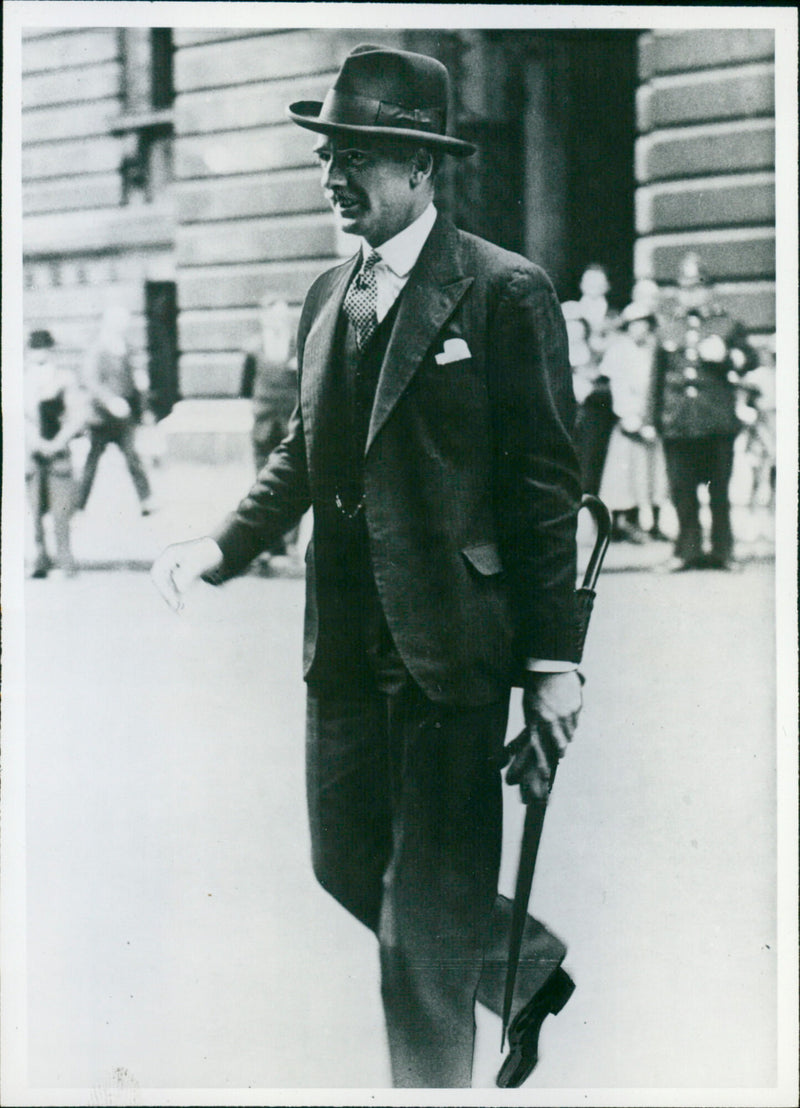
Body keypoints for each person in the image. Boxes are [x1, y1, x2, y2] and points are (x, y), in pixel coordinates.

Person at [152, 45, 583, 1089]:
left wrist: (553, 663)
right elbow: (301, 452)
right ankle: (523, 968)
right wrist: (223, 544)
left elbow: (540, 492)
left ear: (422, 168)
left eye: (361, 156)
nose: (337, 177)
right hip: (342, 647)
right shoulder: (320, 295)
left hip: (452, 652)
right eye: (328, 157)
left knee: (421, 932)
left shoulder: (500, 292)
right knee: (343, 861)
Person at [650, 253, 759, 571]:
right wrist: (654, 420)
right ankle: (686, 551)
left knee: (719, 492)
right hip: (679, 422)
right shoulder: (667, 327)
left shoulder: (727, 324)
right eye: (684, 289)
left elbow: (750, 360)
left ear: (710, 290)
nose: (691, 294)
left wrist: (727, 356)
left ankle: (723, 551)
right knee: (682, 492)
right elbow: (656, 379)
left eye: (698, 288)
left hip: (716, 421)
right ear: (678, 293)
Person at [599, 301, 669, 543]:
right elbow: (617, 388)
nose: (638, 330)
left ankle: (654, 522)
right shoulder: (619, 351)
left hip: (652, 419)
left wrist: (652, 419)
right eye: (633, 325)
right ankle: (623, 522)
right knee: (624, 472)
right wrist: (630, 417)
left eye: (643, 324)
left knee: (655, 474)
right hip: (628, 421)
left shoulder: (655, 350)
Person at [76, 304, 155, 515]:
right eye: (118, 321)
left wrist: (141, 394)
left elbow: (133, 378)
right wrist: (110, 401)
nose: (122, 326)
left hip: (124, 417)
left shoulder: (126, 346)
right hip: (101, 418)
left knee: (132, 457)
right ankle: (77, 504)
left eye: (124, 322)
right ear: (108, 323)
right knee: (91, 462)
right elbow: (91, 381)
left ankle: (146, 500)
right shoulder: (97, 349)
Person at [239, 295, 300, 564]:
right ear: (263, 317)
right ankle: (271, 546)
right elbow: (244, 388)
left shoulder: (298, 345)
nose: (278, 320)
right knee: (264, 485)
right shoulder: (253, 348)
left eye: (282, 315)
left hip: (291, 426)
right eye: (273, 315)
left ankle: (288, 545)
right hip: (263, 425)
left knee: (294, 483)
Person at [24, 329, 87, 577]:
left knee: (61, 509)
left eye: (45, 349)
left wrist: (58, 442)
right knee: (34, 509)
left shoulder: (64, 379)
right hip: (31, 453)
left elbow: (77, 415)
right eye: (35, 348)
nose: (40, 353)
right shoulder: (21, 380)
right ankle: (40, 559)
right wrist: (35, 441)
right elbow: (18, 417)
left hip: (58, 452)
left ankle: (65, 560)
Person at [561, 264, 619, 495]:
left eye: (598, 281)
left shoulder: (614, 318)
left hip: (594, 410)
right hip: (567, 413)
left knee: (592, 464)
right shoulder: (557, 352)